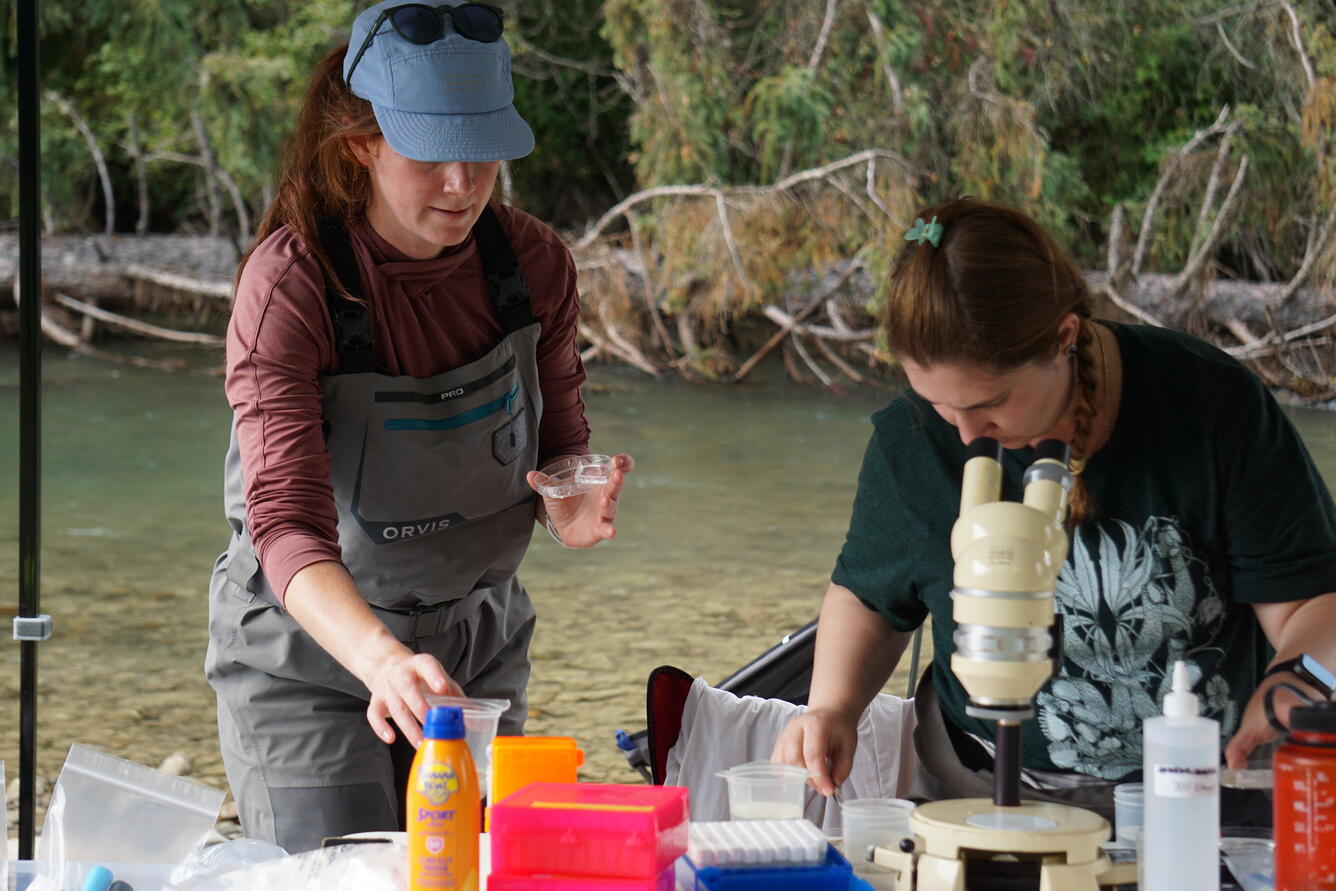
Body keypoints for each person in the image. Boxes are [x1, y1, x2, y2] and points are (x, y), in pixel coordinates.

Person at [204, 0, 633, 852]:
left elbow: (562, 443)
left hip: (476, 650)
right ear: (362, 143)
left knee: (475, 871)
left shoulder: (535, 265)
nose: (463, 182)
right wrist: (381, 660)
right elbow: (284, 523)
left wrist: (570, 497)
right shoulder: (291, 287)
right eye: (434, 151)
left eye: (486, 152)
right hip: (314, 661)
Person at [772, 198, 1336, 819]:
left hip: (1198, 794)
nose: (964, 433)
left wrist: (1296, 685)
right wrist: (832, 706)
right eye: (938, 404)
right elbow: (870, 598)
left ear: (1064, 337)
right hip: (974, 782)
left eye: (990, 402)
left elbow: (1310, 602)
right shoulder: (911, 440)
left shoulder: (1214, 408)